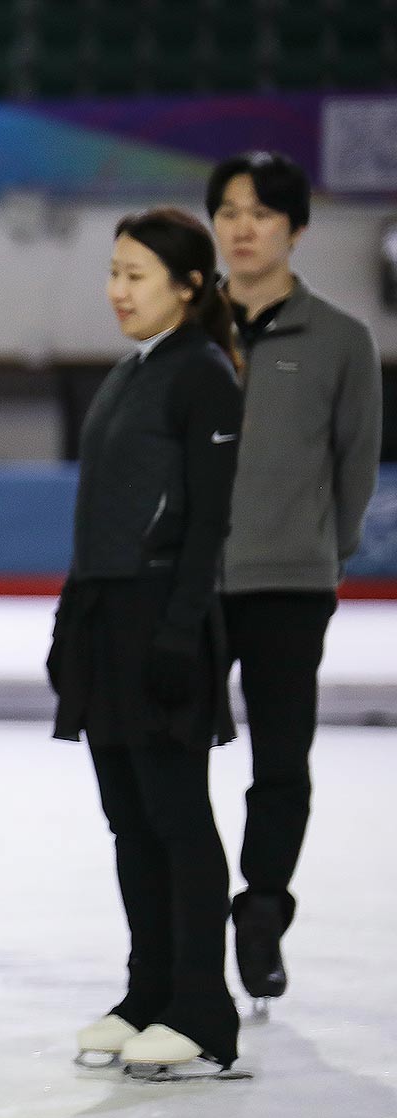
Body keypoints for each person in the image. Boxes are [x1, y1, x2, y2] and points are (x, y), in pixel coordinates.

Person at [50, 208, 245, 1077]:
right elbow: (103, 511)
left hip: (163, 619)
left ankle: (204, 1006)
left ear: (188, 286)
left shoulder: (203, 373)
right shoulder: (134, 371)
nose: (116, 289)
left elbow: (208, 520)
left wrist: (179, 625)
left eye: (135, 274)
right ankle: (149, 991)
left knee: (176, 817)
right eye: (114, 271)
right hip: (107, 619)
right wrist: (71, 615)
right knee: (130, 820)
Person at [206, 151, 384, 1009]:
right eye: (229, 211)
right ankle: (183, 916)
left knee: (281, 758)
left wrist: (324, 551)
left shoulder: (342, 340)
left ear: (296, 228)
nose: (243, 227)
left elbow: (356, 467)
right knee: (164, 755)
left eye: (262, 212)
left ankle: (263, 904)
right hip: (190, 587)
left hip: (288, 583)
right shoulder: (187, 328)